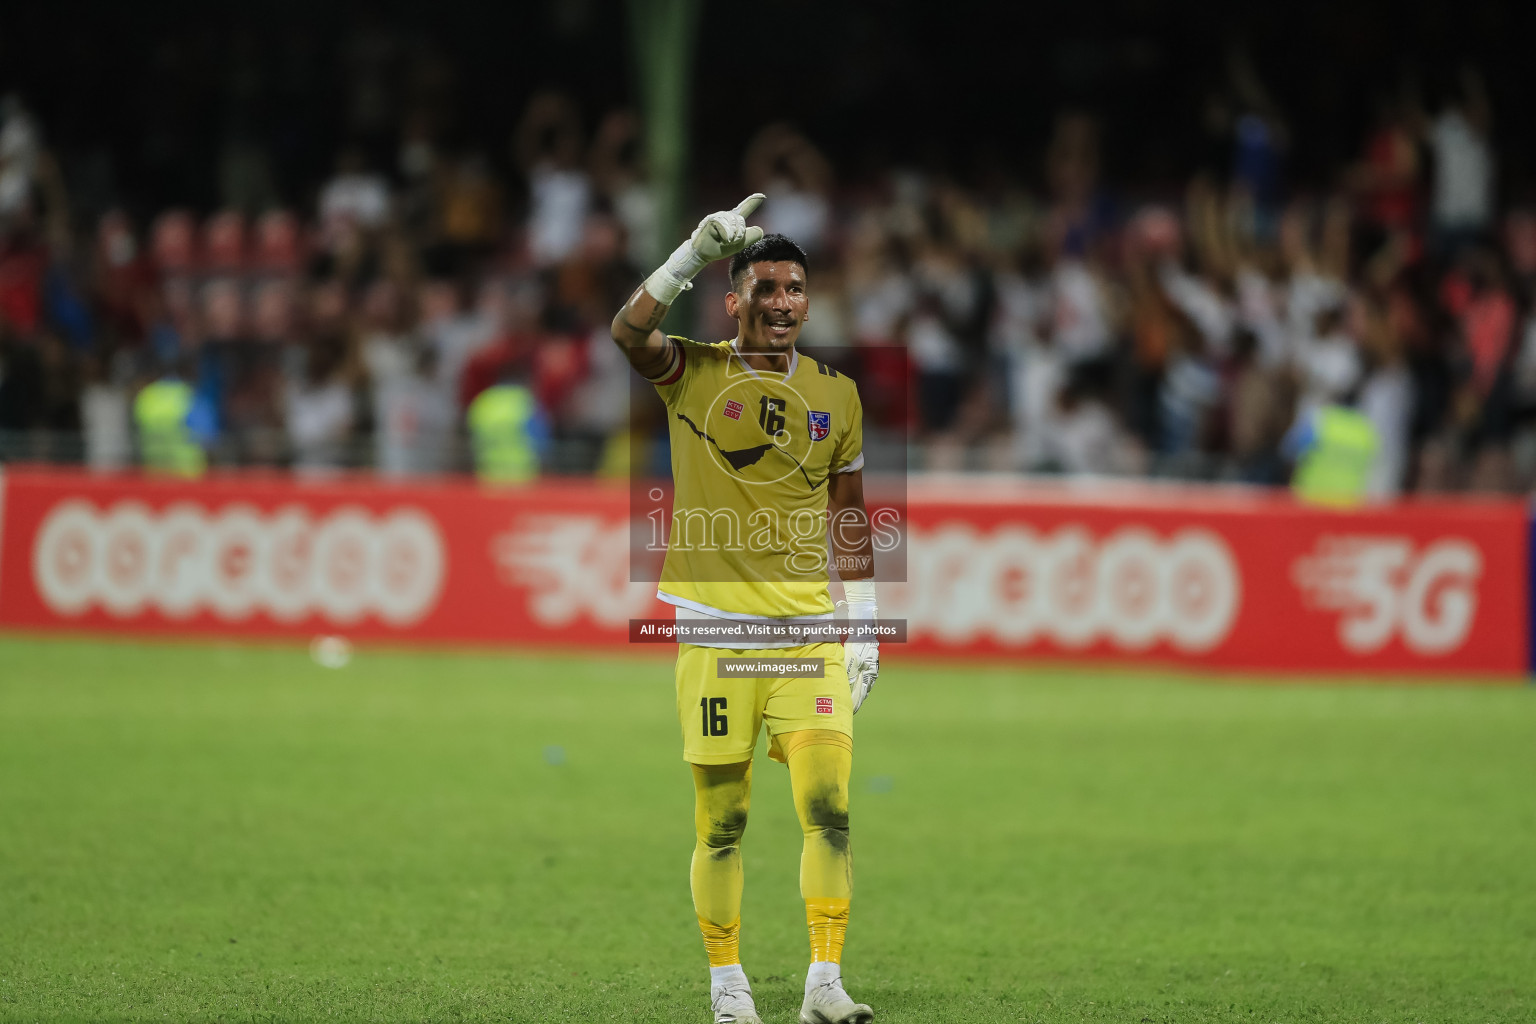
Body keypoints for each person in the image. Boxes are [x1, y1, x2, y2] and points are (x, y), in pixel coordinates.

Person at [610, 196, 879, 1024]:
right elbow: (627, 333)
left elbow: (851, 514)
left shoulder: (838, 394)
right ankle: (729, 986)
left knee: (830, 811)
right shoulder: (693, 371)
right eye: (765, 287)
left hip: (807, 635)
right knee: (722, 822)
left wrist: (863, 623)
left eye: (795, 288)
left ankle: (823, 984)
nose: (783, 301)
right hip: (717, 635)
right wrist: (688, 254)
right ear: (735, 300)